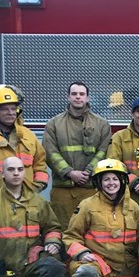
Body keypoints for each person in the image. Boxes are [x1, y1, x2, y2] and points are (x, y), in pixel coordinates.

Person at [64, 158, 139, 277]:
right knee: (87, 274)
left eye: (115, 179)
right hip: (94, 262)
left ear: (122, 181)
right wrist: (82, 253)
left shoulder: (133, 207)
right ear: (99, 182)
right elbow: (70, 236)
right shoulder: (87, 206)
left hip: (122, 268)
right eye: (106, 179)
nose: (111, 183)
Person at [42, 81, 112, 228]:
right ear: (68, 97)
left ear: (87, 98)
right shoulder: (54, 124)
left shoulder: (102, 124)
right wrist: (69, 172)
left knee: (91, 230)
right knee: (61, 230)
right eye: (74, 94)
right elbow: (50, 152)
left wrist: (88, 172)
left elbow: (103, 151)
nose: (78, 97)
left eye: (81, 94)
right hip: (62, 190)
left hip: (90, 188)